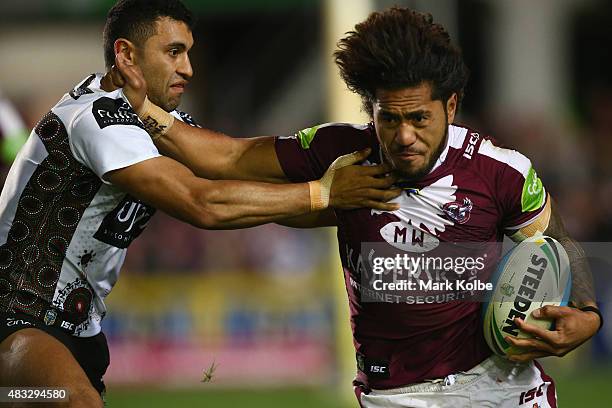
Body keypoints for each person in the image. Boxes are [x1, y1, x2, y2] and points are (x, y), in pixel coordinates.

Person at [116, 6, 602, 408]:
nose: (405, 136)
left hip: (501, 388)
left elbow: (554, 238)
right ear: (370, 109)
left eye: (419, 118)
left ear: (450, 107)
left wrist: (587, 311)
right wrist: (141, 110)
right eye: (389, 119)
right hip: (395, 395)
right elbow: (228, 157)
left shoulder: (501, 170)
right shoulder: (341, 154)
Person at [0, 1, 402, 406]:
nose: (188, 68)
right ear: (125, 55)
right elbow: (202, 202)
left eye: (188, 53)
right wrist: (324, 193)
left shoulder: (145, 120)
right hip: (19, 321)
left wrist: (364, 203)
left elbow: (231, 162)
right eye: (174, 52)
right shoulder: (96, 120)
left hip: (78, 333)